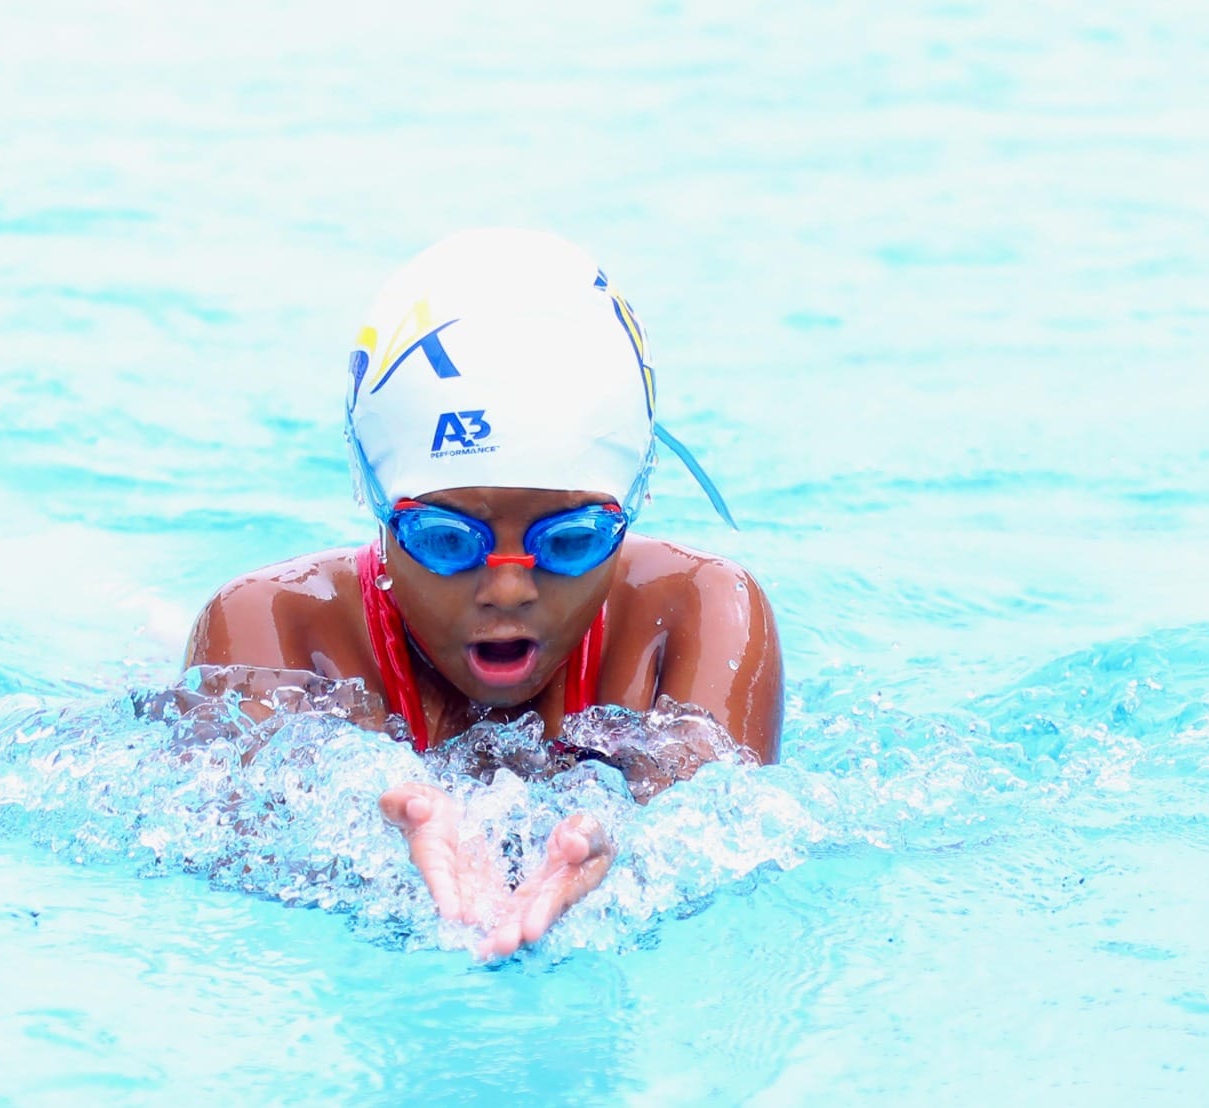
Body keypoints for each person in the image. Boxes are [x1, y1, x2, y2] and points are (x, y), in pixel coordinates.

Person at [183, 229, 783, 958]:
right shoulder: (275, 626)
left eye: (570, 540)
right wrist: (373, 842)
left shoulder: (694, 610)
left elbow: (721, 818)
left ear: (632, 504)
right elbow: (228, 840)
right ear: (374, 500)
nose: (507, 587)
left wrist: (623, 842)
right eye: (446, 539)